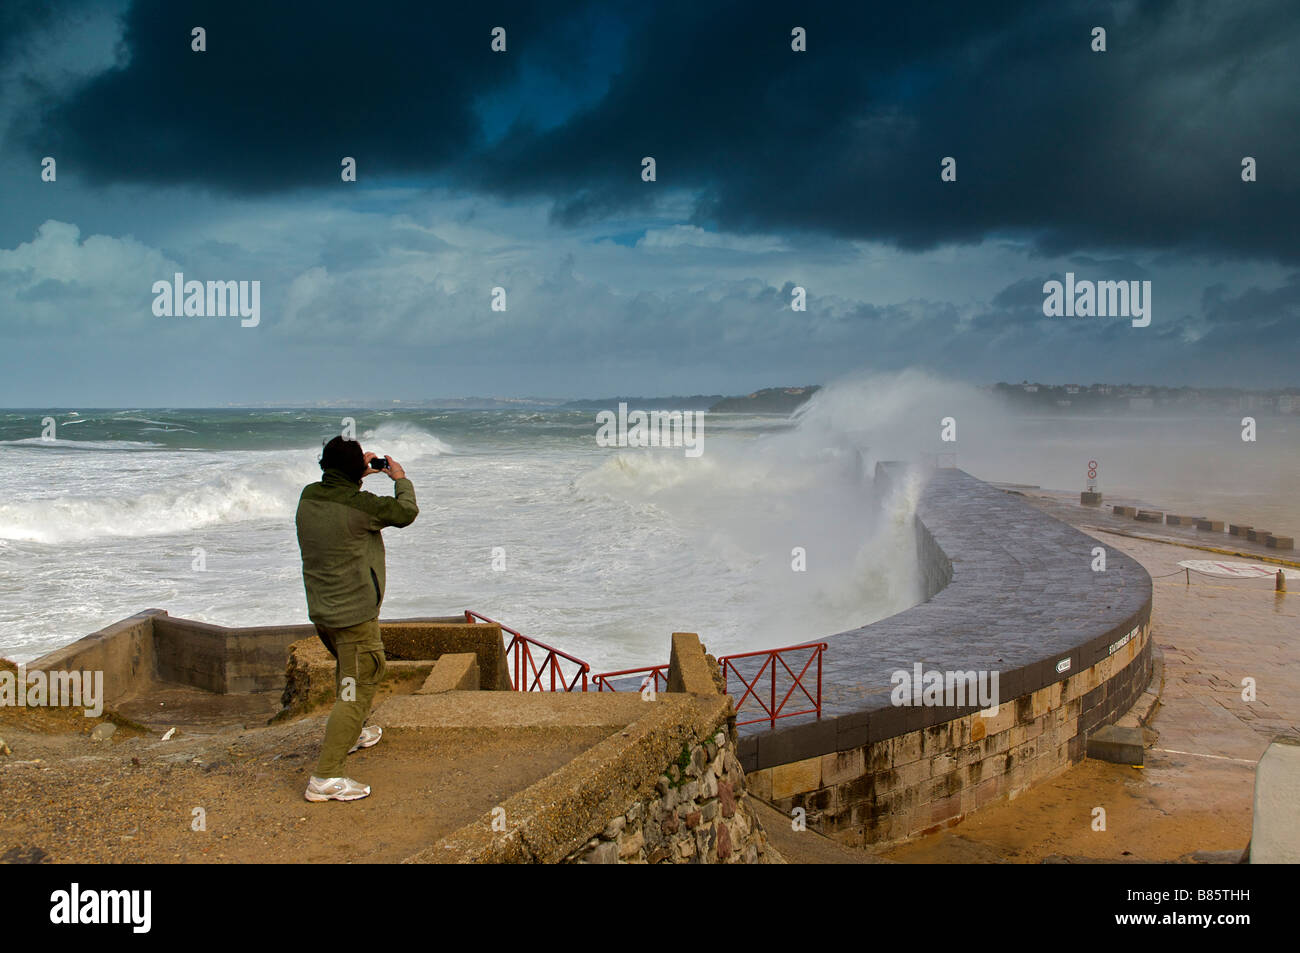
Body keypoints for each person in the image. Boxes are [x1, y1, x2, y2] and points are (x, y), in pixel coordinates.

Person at [295, 435, 418, 802]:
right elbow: (405, 513)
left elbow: (338, 497)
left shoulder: (309, 496)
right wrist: (399, 478)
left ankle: (353, 734)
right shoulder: (361, 505)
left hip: (323, 613)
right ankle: (326, 777)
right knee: (358, 685)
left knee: (348, 676)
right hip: (354, 617)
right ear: (358, 470)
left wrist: (353, 473)